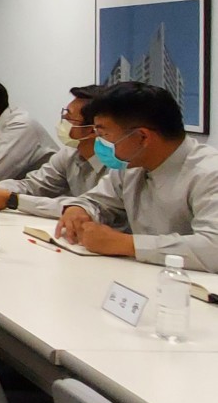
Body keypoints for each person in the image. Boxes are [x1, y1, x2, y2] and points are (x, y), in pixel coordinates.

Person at [57, 82, 218, 271]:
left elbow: (212, 247)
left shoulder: (209, 173)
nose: (98, 142)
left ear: (142, 137)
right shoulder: (131, 164)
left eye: (103, 134)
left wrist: (126, 244)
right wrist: (78, 209)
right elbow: (97, 200)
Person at [0, 84, 106, 217]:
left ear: (93, 130)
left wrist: (13, 200)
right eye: (64, 113)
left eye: (69, 117)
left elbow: (86, 207)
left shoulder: (115, 165)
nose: (63, 119)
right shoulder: (69, 154)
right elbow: (34, 185)